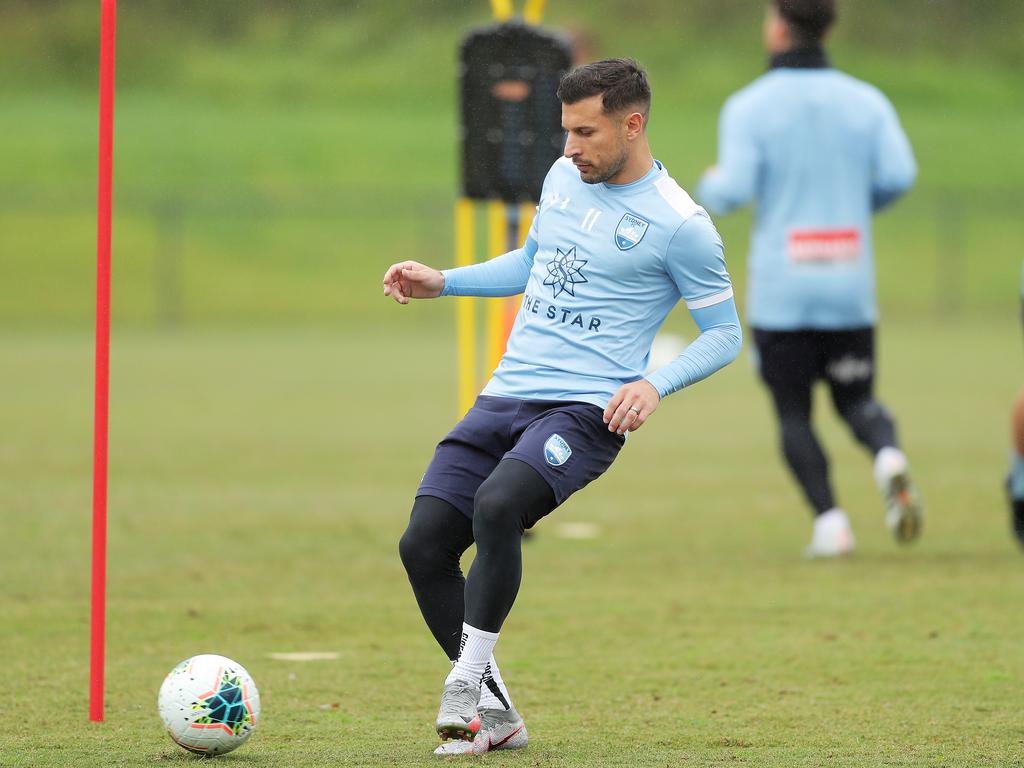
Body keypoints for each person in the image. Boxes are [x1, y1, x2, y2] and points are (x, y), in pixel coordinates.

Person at [383, 58, 742, 754]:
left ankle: (464, 682)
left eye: (586, 132)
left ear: (632, 124)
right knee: (423, 545)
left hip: (584, 411)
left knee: (497, 506)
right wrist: (445, 281)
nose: (570, 148)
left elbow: (726, 333)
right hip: (506, 392)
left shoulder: (681, 224)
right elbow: (532, 262)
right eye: (566, 131)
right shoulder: (562, 176)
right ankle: (499, 719)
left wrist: (653, 384)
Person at [697, 0, 922, 558]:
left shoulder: (749, 106)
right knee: (857, 401)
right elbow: (899, 175)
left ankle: (831, 524)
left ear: (777, 25)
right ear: (829, 27)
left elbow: (733, 190)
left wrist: (711, 183)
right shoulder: (866, 100)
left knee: (793, 411)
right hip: (848, 279)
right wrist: (855, 206)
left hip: (785, 287)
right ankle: (888, 455)